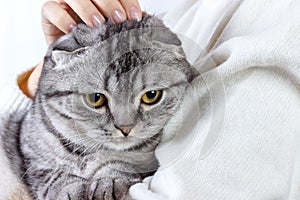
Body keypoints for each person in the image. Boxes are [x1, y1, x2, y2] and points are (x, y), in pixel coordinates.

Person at [3, 0, 300, 199]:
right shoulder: (176, 13)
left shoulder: (279, 28)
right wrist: (45, 81)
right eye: (97, 99)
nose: (125, 127)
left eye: (150, 96)